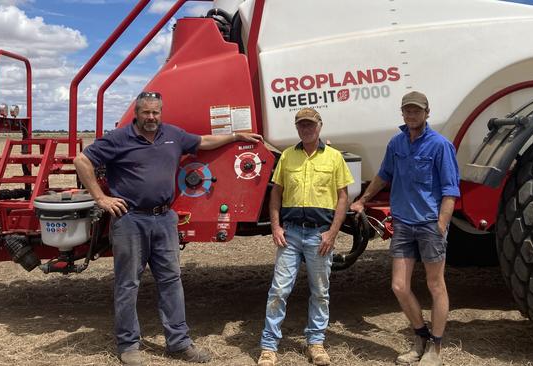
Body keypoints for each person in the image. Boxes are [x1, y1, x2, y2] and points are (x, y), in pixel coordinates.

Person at [74, 91, 262, 366]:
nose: (151, 117)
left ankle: (179, 343)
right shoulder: (118, 139)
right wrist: (101, 199)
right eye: (146, 112)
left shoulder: (172, 134)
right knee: (128, 284)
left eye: (155, 112)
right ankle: (128, 345)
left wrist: (235, 137)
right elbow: (82, 161)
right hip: (130, 219)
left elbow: (203, 141)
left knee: (171, 281)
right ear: (136, 113)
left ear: (161, 112)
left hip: (164, 219)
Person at [350, 91, 460, 366]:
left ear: (426, 113)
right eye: (407, 111)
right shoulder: (397, 143)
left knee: (435, 284)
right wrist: (362, 200)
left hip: (428, 225)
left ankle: (435, 348)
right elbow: (384, 175)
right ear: (402, 113)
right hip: (403, 224)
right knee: (399, 286)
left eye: (416, 111)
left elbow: (450, 190)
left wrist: (441, 225)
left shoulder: (440, 145)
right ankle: (420, 337)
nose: (411, 115)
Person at [257, 108, 354, 366]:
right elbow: (276, 193)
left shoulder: (334, 158)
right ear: (297, 128)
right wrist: (275, 227)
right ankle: (268, 347)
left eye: (310, 124)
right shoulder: (288, 156)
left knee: (320, 291)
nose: (306, 129)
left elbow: (343, 197)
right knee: (278, 290)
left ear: (320, 126)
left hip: (319, 235)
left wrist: (332, 233)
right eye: (301, 125)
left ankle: (316, 343)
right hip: (290, 234)